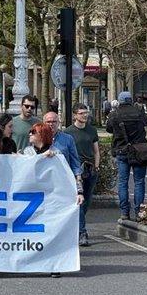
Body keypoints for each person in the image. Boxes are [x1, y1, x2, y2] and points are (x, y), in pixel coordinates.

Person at [22, 122, 83, 278]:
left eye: (33, 132)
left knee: (52, 230)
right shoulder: (27, 152)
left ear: (42, 135)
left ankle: (55, 264)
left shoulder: (57, 154)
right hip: (31, 198)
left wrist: (79, 191)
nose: (30, 134)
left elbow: (67, 175)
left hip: (51, 199)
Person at [106, 91, 147, 222]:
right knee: (139, 182)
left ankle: (125, 212)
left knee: (123, 182)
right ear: (131, 100)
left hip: (122, 151)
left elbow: (109, 129)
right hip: (139, 151)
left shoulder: (114, 114)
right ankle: (138, 212)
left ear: (119, 101)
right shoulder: (139, 111)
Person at [65, 103, 100, 246]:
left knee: (87, 201)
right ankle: (82, 232)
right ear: (75, 115)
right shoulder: (68, 132)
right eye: (81, 113)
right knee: (79, 200)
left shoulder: (92, 130)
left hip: (90, 169)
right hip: (76, 171)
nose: (85, 115)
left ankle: (76, 224)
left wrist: (97, 166)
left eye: (86, 113)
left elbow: (96, 150)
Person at [43, 112, 82, 179]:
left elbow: (74, 161)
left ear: (58, 123)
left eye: (54, 122)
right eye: (48, 122)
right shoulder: (38, 139)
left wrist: (78, 177)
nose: (51, 124)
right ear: (43, 123)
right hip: (44, 178)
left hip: (63, 178)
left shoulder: (68, 139)